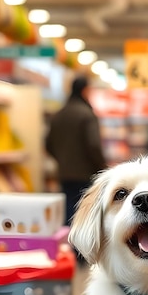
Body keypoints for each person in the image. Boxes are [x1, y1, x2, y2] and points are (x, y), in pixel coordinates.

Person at [46, 75, 107, 238]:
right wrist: (102, 169)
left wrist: (62, 160)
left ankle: (68, 246)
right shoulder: (86, 114)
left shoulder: (59, 114)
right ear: (84, 90)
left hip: (65, 173)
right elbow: (93, 145)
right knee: (86, 211)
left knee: (68, 210)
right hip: (85, 173)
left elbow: (48, 144)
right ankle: (82, 250)